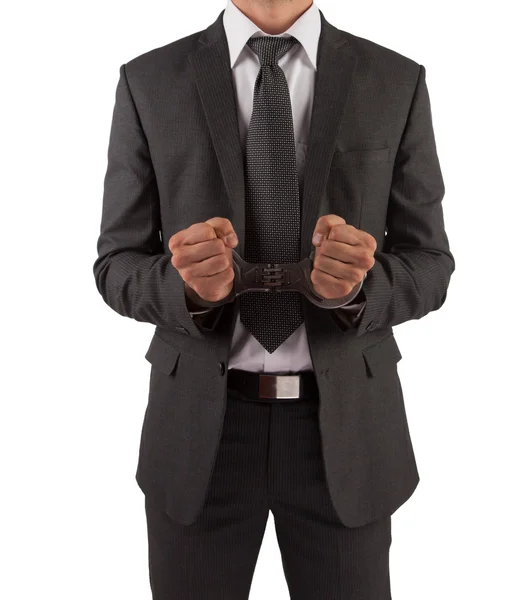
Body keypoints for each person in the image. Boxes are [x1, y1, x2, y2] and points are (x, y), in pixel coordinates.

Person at [93, 0, 455, 597]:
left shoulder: (394, 79)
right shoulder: (149, 80)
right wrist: (188, 292)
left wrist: (359, 291)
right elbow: (116, 264)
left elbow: (431, 263)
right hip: (198, 437)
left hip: (345, 435)